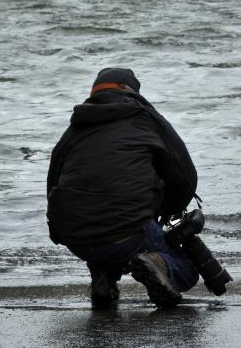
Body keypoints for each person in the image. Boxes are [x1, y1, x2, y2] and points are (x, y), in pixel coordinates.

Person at [46, 67, 200, 309]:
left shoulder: (74, 130)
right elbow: (185, 178)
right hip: (130, 232)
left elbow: (52, 185)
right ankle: (157, 262)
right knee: (188, 268)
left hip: (76, 239)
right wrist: (166, 212)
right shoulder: (148, 120)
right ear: (134, 92)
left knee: (98, 216)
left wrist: (60, 232)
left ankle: (102, 277)